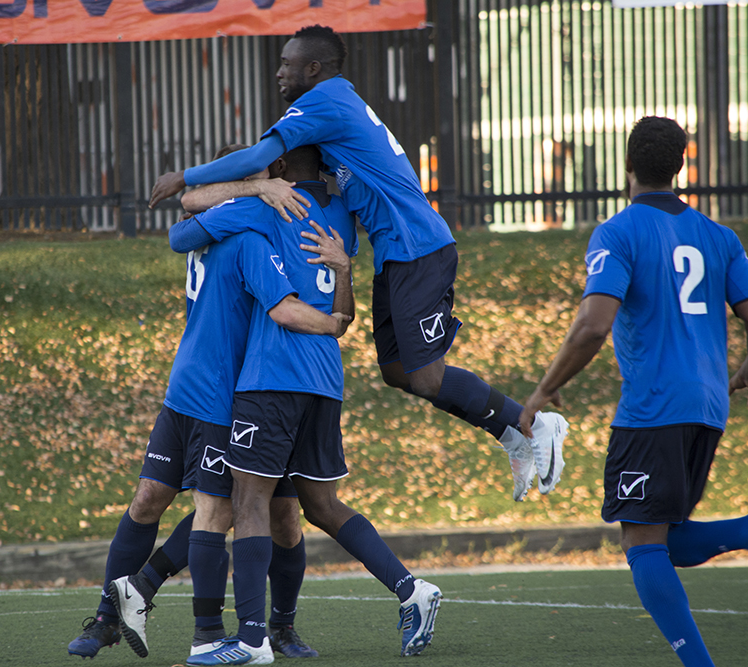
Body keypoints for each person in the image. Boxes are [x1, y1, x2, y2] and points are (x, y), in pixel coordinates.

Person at [150, 24, 567, 503]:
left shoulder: (323, 101)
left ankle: (530, 426)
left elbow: (264, 154)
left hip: (418, 246)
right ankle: (513, 435)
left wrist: (185, 175)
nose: (279, 72)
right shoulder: (334, 106)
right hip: (394, 253)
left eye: (287, 63)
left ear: (313, 68)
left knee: (427, 375)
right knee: (396, 372)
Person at [67, 145, 350, 661]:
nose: (272, 184)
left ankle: (258, 630)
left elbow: (189, 222)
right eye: (255, 178)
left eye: (263, 174)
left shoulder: (250, 225)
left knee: (245, 512)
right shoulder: (239, 219)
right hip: (188, 388)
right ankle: (112, 616)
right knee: (153, 499)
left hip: (236, 395)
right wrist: (338, 323)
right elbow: (182, 229)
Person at [171, 145, 443, 664]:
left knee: (246, 504)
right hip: (324, 381)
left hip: (270, 378)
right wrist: (344, 270)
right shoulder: (340, 214)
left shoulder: (269, 204)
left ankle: (251, 641)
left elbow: (182, 228)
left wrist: (251, 189)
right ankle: (412, 590)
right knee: (315, 507)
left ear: (277, 165)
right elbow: (344, 321)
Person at [519, 116, 748, 667]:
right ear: (681, 167)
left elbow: (594, 325)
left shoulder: (618, 232)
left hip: (654, 407)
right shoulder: (720, 237)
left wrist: (543, 390)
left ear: (627, 167)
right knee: (664, 540)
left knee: (642, 544)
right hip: (708, 407)